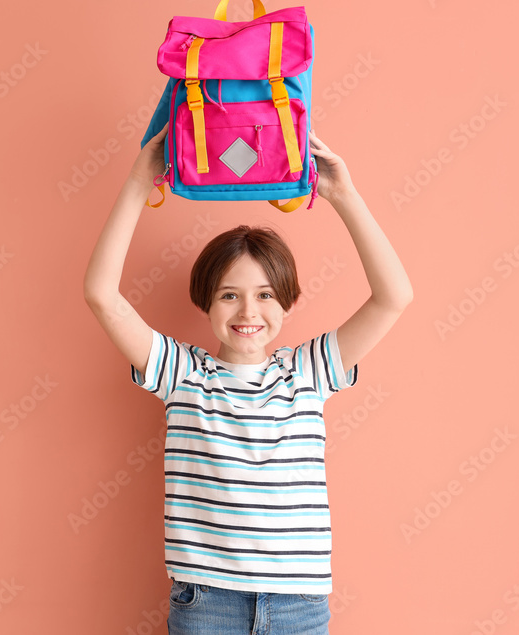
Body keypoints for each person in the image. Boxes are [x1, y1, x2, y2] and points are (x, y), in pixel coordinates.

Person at [82, 123, 413, 634]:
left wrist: (343, 195)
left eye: (264, 294)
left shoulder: (308, 372)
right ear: (206, 302)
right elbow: (102, 295)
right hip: (206, 603)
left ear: (288, 301)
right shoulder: (183, 373)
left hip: (298, 605)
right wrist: (137, 182)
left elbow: (394, 297)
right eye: (229, 294)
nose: (247, 311)